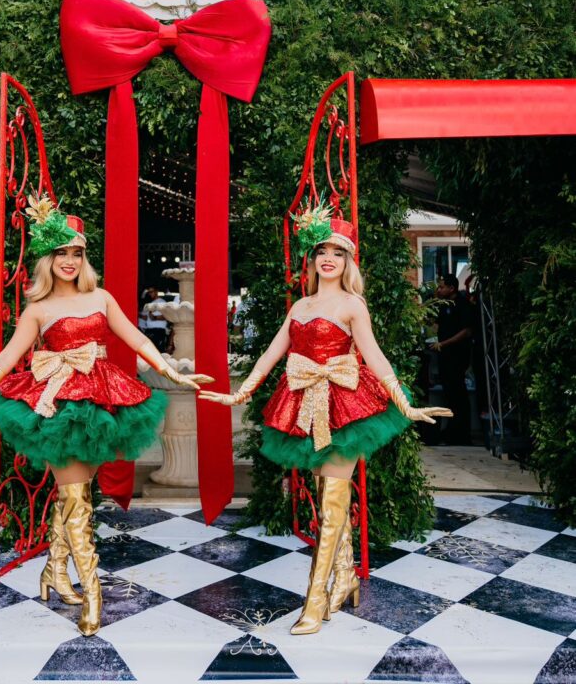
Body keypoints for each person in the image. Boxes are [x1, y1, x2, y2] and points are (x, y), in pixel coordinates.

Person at [0, 194, 209, 637]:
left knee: (73, 497)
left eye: (76, 253)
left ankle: (54, 571)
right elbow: (6, 358)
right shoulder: (38, 309)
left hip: (100, 401)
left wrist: (173, 371)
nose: (69, 261)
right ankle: (92, 594)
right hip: (58, 406)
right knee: (77, 500)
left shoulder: (101, 297)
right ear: (47, 259)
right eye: (61, 253)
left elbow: (138, 340)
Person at [200, 203, 451, 636]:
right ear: (312, 258)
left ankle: (314, 601)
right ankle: (346, 577)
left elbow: (375, 357)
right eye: (321, 251)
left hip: (347, 408)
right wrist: (240, 392)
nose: (328, 258)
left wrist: (406, 405)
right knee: (326, 497)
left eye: (337, 251)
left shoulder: (353, 305)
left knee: (333, 502)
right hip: (305, 407)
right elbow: (272, 353)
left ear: (348, 260)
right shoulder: (300, 306)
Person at [431, 273, 473, 445]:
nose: (439, 290)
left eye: (442, 287)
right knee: (449, 393)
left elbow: (467, 331)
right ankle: (451, 432)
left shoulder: (463, 305)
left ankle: (462, 434)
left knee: (458, 394)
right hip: (445, 357)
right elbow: (434, 323)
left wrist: (444, 343)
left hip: (457, 355)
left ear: (452, 288)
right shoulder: (443, 305)